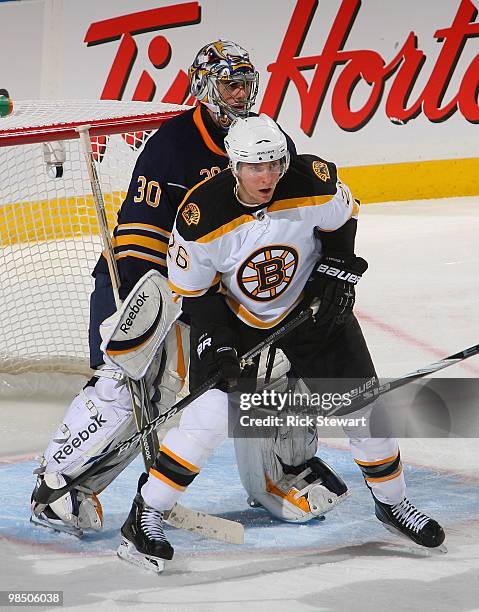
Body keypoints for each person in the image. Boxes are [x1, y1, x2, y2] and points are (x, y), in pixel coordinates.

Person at [30, 41, 342, 536]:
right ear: (204, 86)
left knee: (274, 369)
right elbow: (138, 234)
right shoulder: (173, 145)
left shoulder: (267, 139)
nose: (240, 95)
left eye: (246, 84)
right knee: (140, 383)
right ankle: (62, 483)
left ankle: (277, 476)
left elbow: (297, 212)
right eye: (229, 84)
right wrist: (152, 311)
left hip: (244, 293)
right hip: (166, 282)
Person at [117, 114, 445, 573]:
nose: (267, 176)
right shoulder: (200, 216)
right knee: (209, 417)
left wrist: (336, 271)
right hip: (236, 321)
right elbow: (196, 294)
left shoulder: (310, 179)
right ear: (234, 167)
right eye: (255, 167)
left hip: (312, 310)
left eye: (274, 164)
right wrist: (220, 345)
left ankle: (393, 503)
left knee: (364, 409)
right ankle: (146, 513)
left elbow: (342, 221)